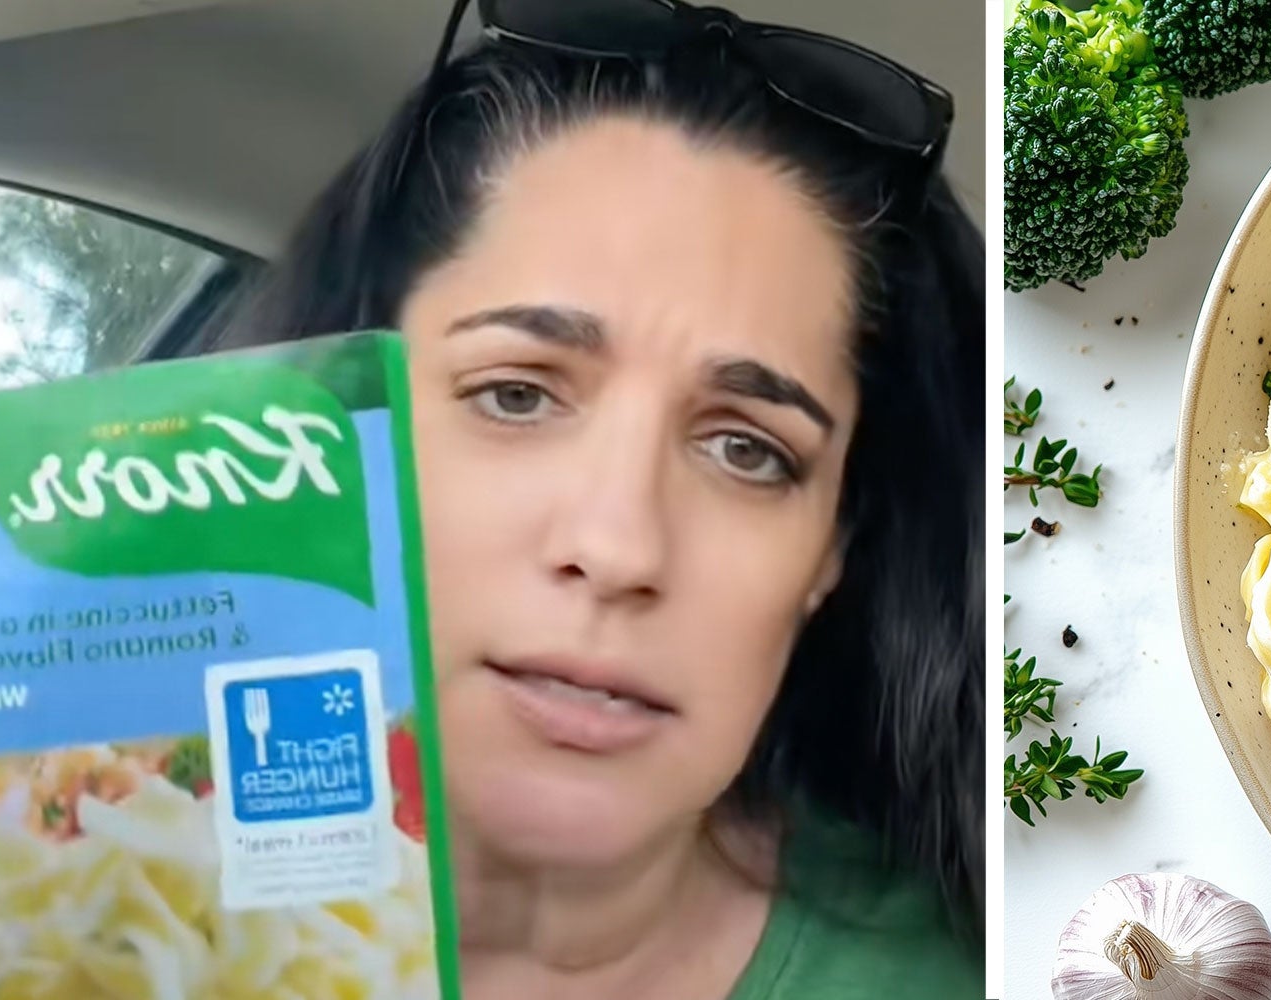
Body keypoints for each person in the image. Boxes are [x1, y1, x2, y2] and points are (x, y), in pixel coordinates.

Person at [204, 1, 984, 997]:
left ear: (831, 546)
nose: (616, 545)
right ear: (337, 437)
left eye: (747, 450)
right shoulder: (65, 868)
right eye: (516, 393)